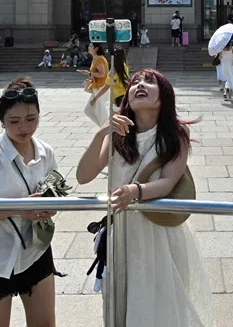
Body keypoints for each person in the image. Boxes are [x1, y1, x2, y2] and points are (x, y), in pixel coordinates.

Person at [76, 69, 214, 327]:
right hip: (123, 231)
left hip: (158, 230)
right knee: (123, 300)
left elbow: (167, 182)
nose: (140, 85)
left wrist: (134, 191)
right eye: (136, 81)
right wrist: (101, 134)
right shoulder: (118, 132)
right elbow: (83, 175)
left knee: (159, 302)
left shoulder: (175, 134)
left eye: (150, 82)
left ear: (164, 96)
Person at [0, 78, 61, 326]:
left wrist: (50, 206)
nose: (24, 127)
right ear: (1, 119)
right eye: (14, 121)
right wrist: (20, 208)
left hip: (35, 251)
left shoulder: (45, 151)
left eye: (32, 118)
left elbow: (56, 194)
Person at [80, 42, 110, 127]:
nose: (88, 47)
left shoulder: (99, 59)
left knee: (102, 112)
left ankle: (106, 129)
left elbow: (102, 74)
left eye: (90, 46)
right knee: (88, 110)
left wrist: (89, 73)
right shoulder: (96, 58)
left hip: (101, 88)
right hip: (97, 88)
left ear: (96, 48)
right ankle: (104, 127)